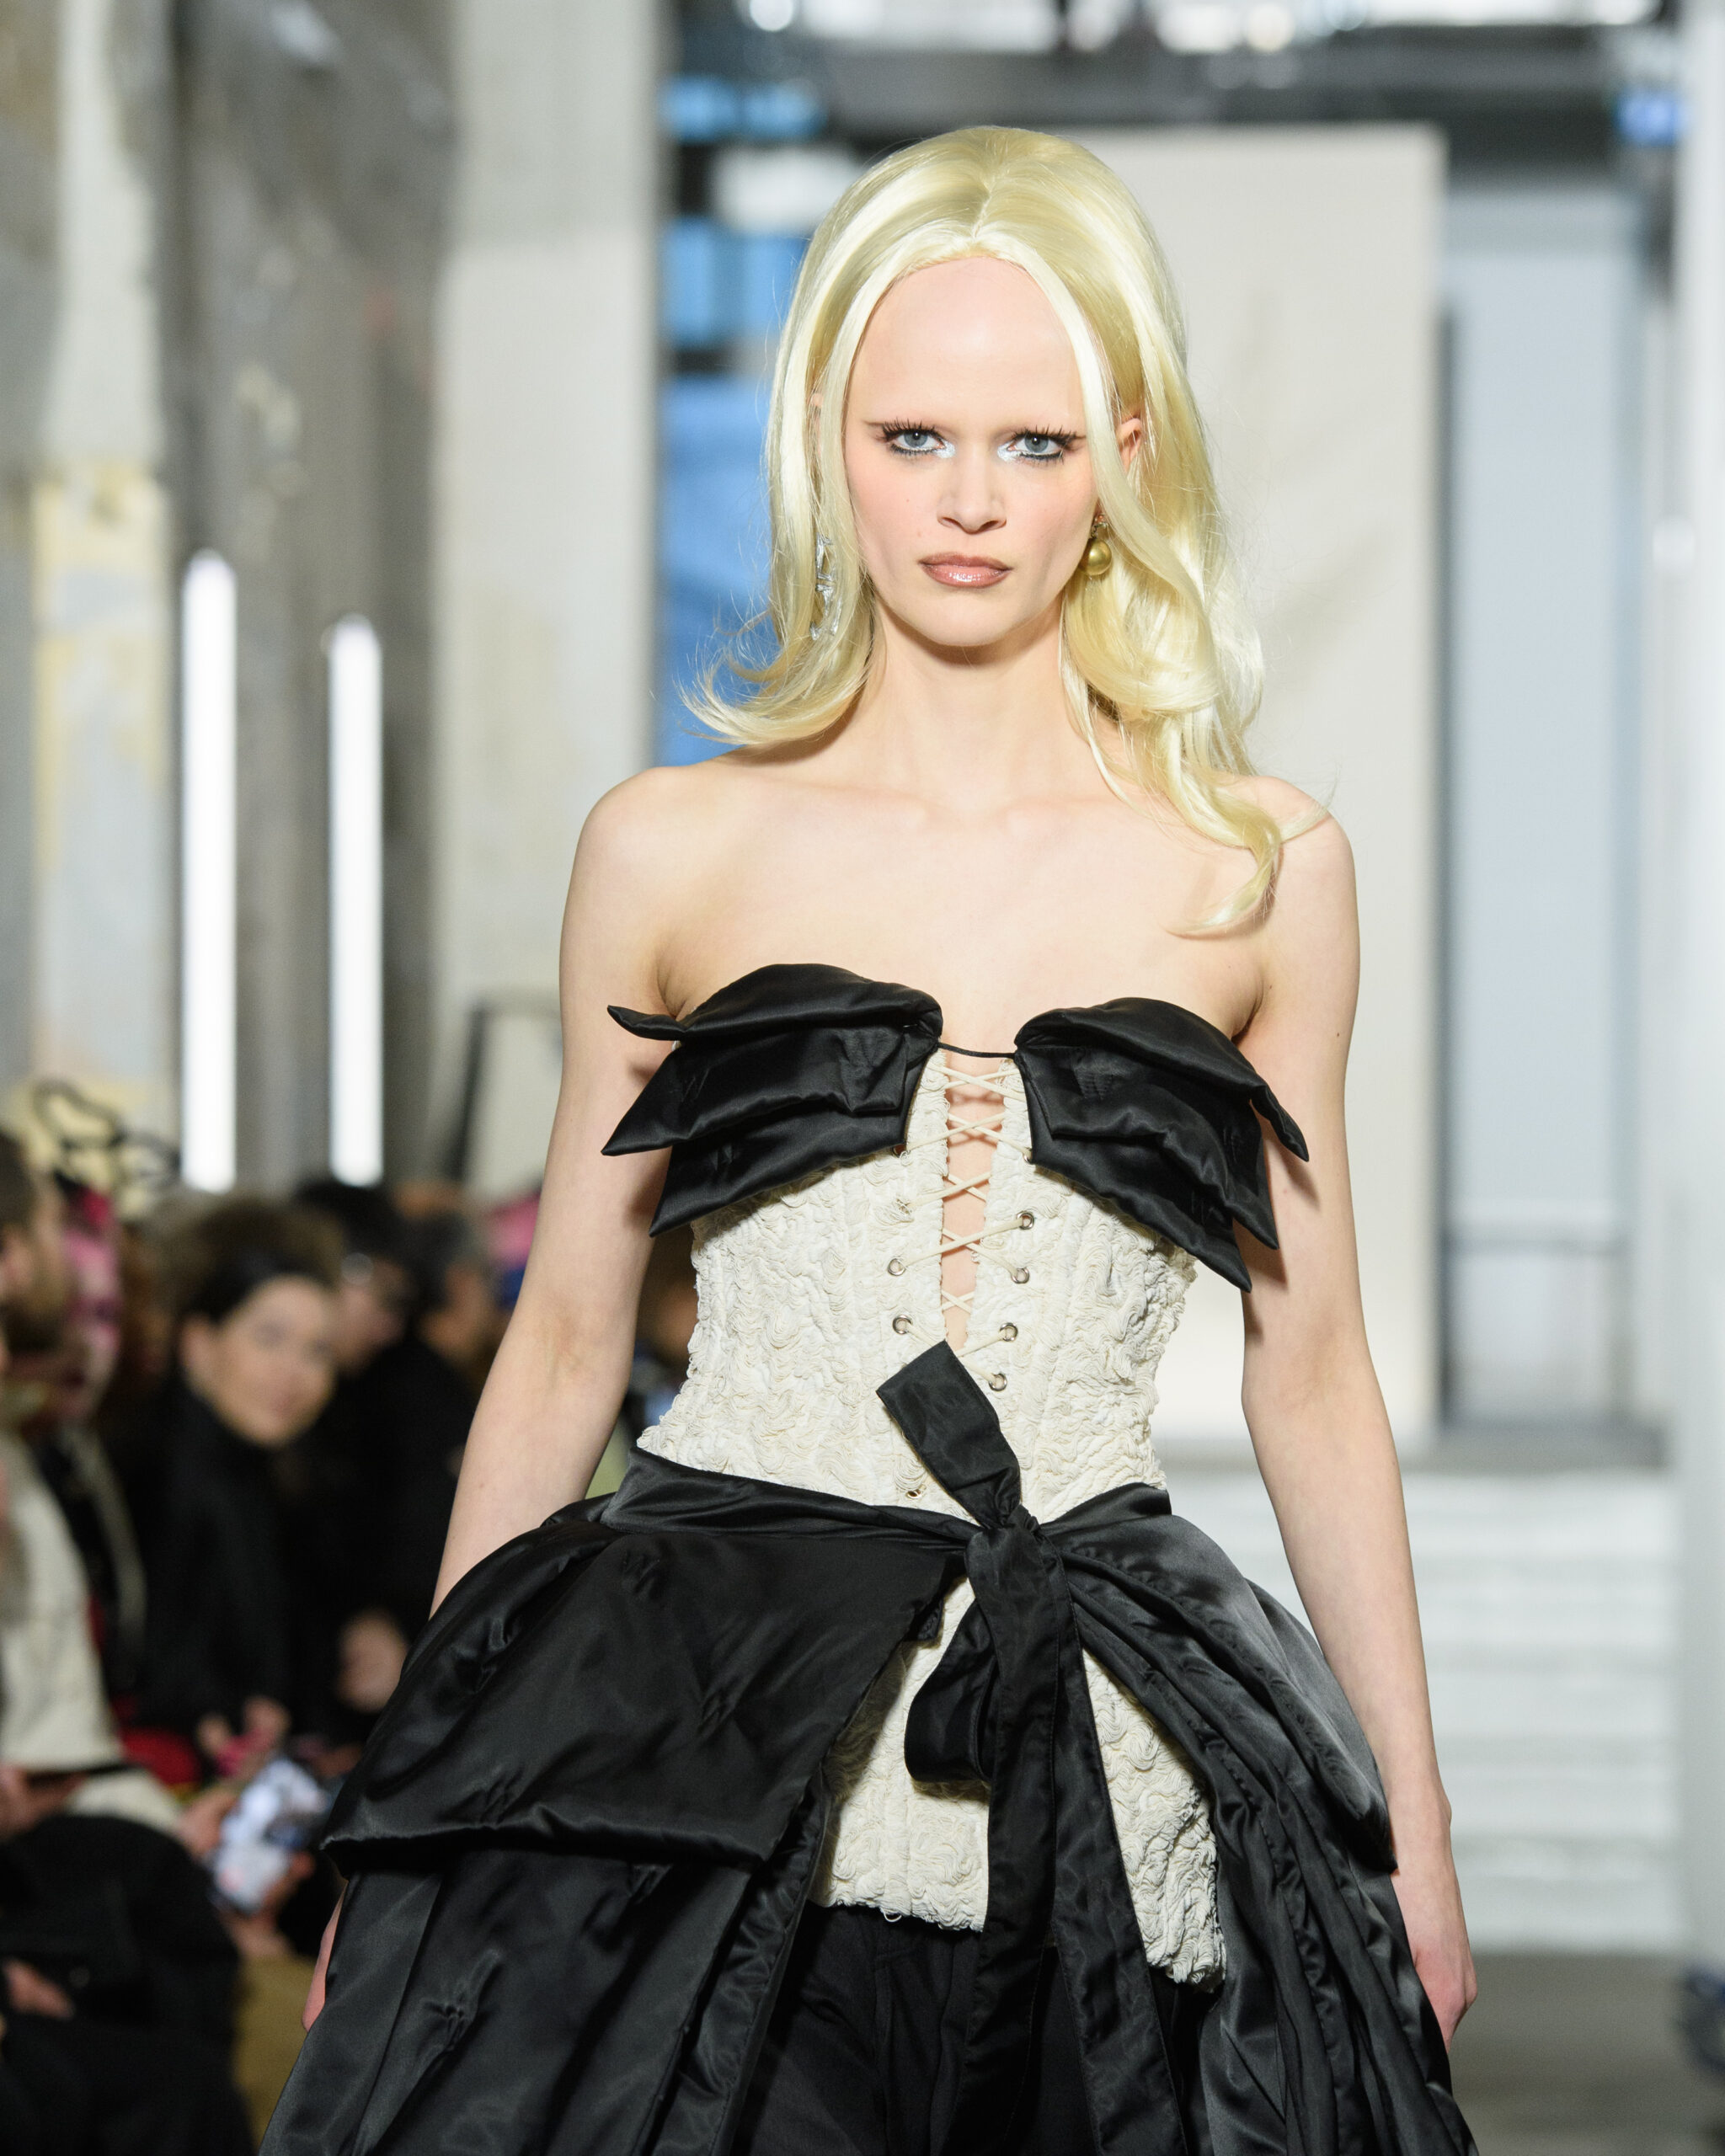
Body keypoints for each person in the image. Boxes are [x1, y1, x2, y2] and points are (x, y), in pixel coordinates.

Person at [269, 129, 1476, 2156]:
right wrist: (419, 1814)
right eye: (913, 434)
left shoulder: (1258, 869)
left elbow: (1314, 1364)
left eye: (1031, 442)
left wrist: (1414, 1827)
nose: (968, 502)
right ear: (824, 435)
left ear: (1123, 451)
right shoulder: (670, 848)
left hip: (1101, 1746)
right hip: (697, 1745)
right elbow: (561, 1344)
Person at [120, 1200, 341, 1762]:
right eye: (269, 1338)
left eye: (318, 1352)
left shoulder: (256, 1476)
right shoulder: (159, 1475)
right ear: (198, 1343)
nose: (295, 1373)